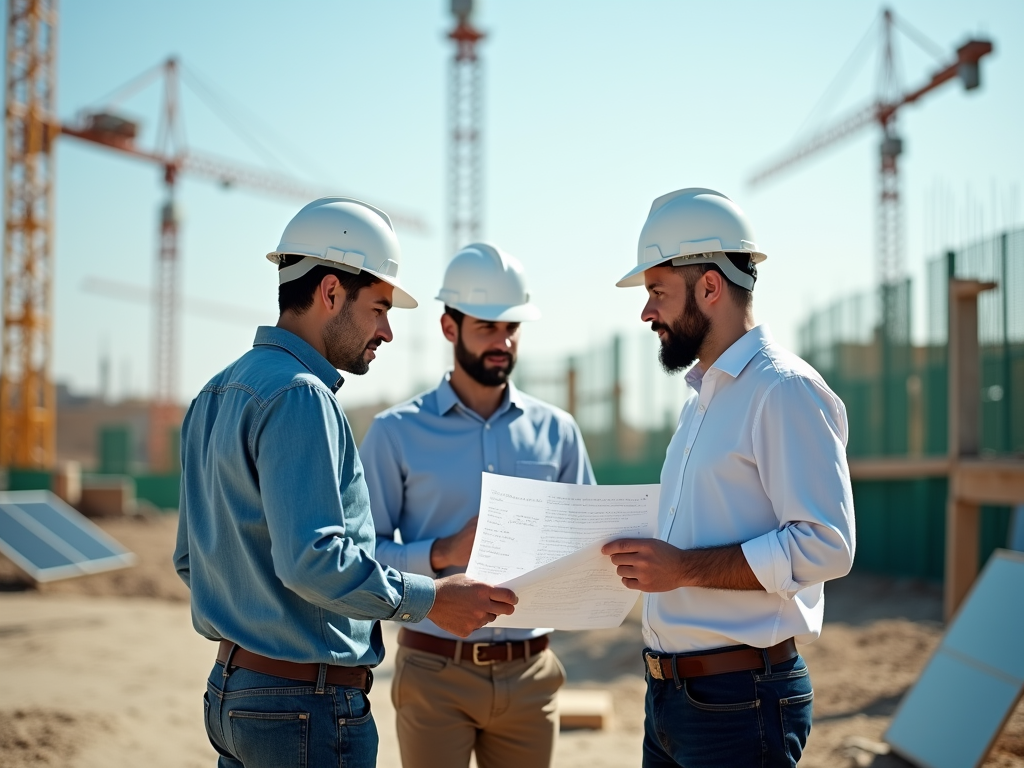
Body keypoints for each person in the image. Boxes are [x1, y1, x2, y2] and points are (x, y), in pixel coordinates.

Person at [173, 198, 517, 768]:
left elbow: (192, 558)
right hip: (304, 705)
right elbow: (313, 561)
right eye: (380, 307)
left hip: (231, 695)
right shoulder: (302, 396)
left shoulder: (213, 393)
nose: (386, 330)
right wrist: (433, 600)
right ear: (331, 292)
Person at [602, 188, 855, 768]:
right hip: (673, 697)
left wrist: (682, 569)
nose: (646, 313)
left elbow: (828, 545)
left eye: (657, 293)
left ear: (710, 286)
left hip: (740, 703)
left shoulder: (783, 389)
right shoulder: (702, 401)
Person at [360, 242, 595, 768]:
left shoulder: (558, 433)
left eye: (511, 327)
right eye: (487, 326)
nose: (503, 341)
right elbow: (361, 557)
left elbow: (587, 545)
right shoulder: (394, 433)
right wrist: (441, 553)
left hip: (532, 674)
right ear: (449, 328)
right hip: (433, 671)